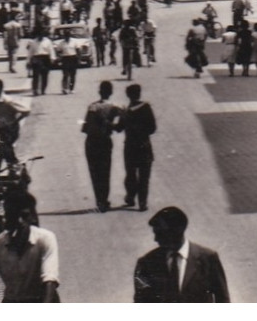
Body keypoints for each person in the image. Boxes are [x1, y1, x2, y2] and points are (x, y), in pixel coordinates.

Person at [0, 189, 60, 303]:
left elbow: (49, 280)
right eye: (14, 216)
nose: (20, 221)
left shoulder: (45, 239)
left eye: (24, 216)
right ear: (7, 218)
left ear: (32, 217)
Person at [132, 206, 230, 303]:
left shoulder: (208, 259)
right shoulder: (146, 263)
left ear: (177, 231)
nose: (155, 239)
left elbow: (223, 299)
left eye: (160, 234)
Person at [80, 81, 124, 212]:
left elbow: (85, 127)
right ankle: (104, 200)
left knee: (94, 172)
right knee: (105, 171)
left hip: (91, 141)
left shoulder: (92, 107)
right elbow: (124, 118)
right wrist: (115, 127)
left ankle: (99, 200)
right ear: (111, 92)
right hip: (105, 141)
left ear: (99, 91)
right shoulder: (115, 106)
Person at [120, 83, 157, 212]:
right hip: (144, 146)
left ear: (128, 96)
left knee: (130, 174)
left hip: (130, 147)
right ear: (139, 94)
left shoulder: (125, 110)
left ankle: (130, 197)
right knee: (144, 176)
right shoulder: (146, 107)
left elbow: (119, 128)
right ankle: (142, 202)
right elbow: (152, 128)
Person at [0, 79, 29, 165]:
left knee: (4, 149)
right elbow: (0, 113)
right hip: (2, 130)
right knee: (4, 150)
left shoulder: (7, 101)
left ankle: (16, 166)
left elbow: (26, 110)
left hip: (10, 130)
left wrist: (15, 121)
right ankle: (13, 168)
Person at [29, 30, 54, 96]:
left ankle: (43, 89)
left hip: (45, 58)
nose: (40, 36)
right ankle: (35, 89)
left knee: (45, 75)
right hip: (36, 58)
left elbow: (51, 50)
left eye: (41, 35)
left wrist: (52, 58)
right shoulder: (33, 42)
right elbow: (30, 52)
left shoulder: (48, 41)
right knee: (36, 75)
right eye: (39, 35)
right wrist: (28, 61)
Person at [56, 29, 81, 94]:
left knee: (73, 74)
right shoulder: (61, 43)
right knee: (65, 74)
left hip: (73, 58)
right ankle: (65, 88)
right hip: (65, 59)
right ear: (64, 36)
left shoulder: (74, 42)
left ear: (70, 35)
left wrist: (78, 59)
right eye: (66, 35)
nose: (67, 37)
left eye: (68, 35)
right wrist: (59, 57)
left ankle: (71, 88)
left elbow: (78, 50)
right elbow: (58, 51)